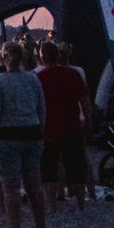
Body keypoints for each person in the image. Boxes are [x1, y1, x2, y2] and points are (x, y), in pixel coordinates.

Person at [0, 42, 47, 228]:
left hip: (7, 136)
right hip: (31, 132)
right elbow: (41, 106)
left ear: (3, 59)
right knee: (34, 184)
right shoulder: (32, 78)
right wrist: (40, 127)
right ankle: (40, 226)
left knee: (10, 187)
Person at [35, 41, 89, 212]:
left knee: (49, 169)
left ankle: (52, 206)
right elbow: (84, 100)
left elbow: (35, 105)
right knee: (76, 166)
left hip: (48, 129)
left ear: (41, 58)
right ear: (57, 56)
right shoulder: (72, 74)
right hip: (71, 125)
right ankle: (81, 203)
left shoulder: (39, 78)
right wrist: (89, 119)